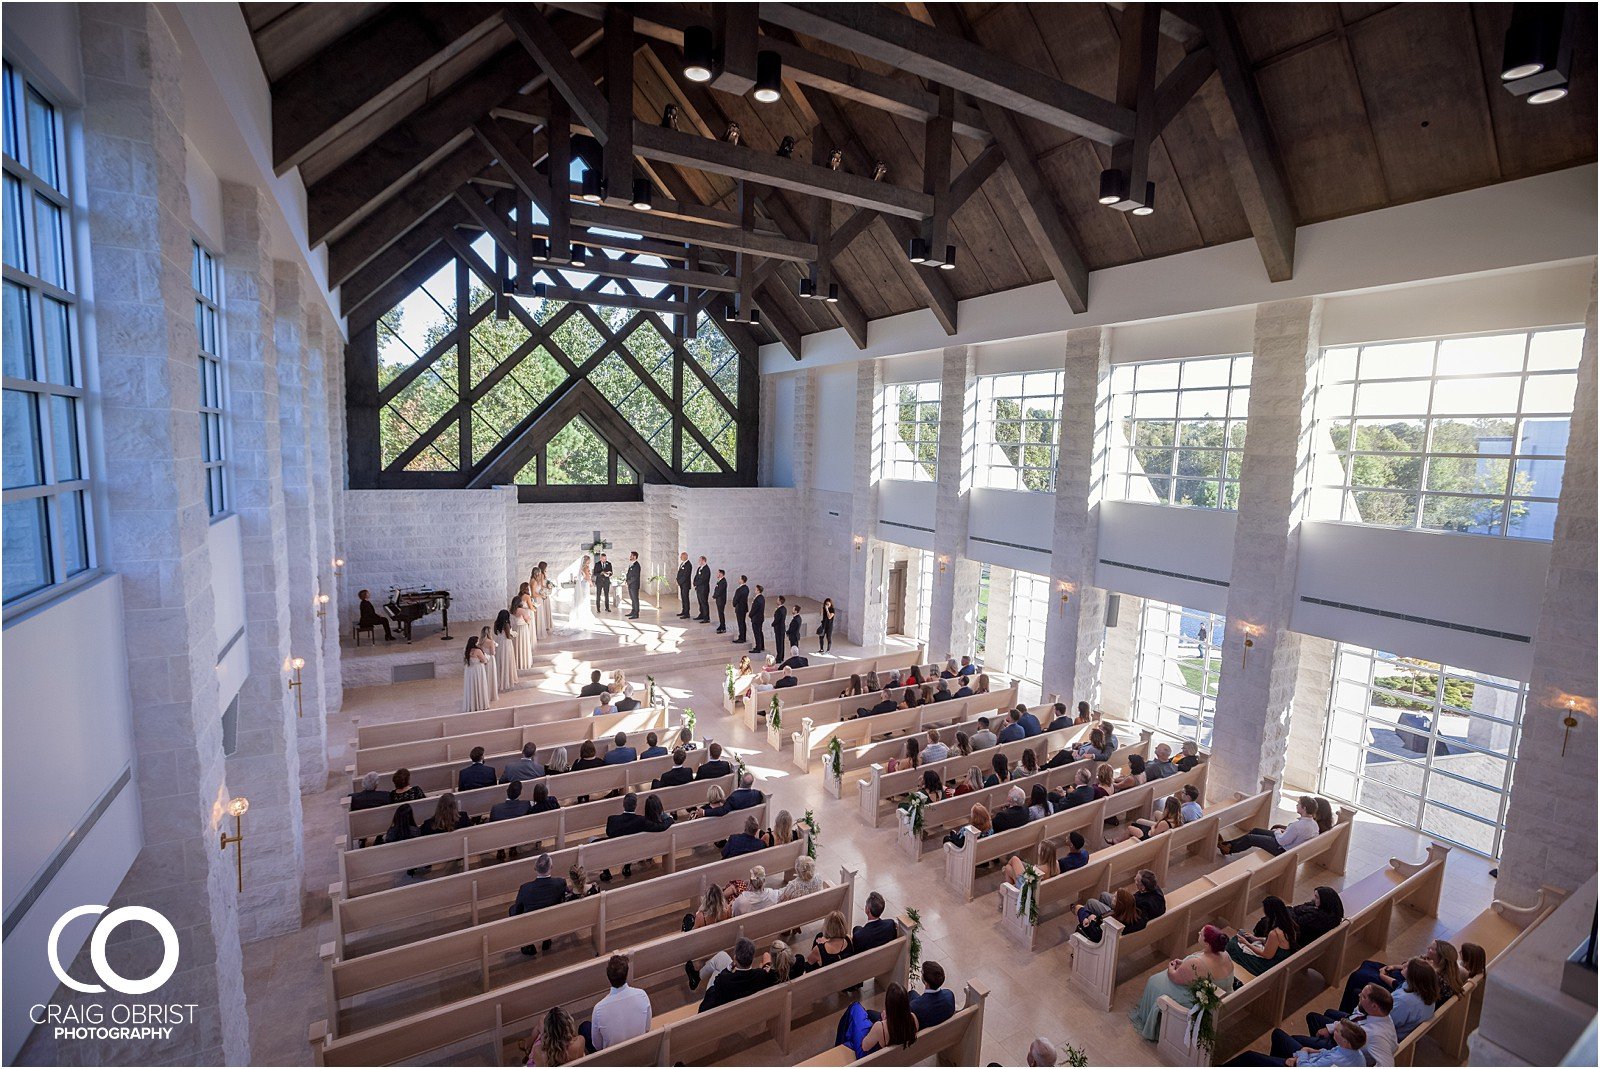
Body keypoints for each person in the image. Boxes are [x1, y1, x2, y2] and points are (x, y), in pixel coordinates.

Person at [1129, 925, 1233, 1041]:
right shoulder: (1225, 955)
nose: (1198, 933)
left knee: (1154, 981)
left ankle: (1153, 1024)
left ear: (1207, 944)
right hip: (1221, 993)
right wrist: (1184, 963)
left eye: (1201, 934)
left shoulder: (1197, 962)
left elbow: (1174, 977)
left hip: (1201, 1001)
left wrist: (1171, 966)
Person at [1261, 985, 1397, 1067]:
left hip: (1315, 1061)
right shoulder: (1375, 1014)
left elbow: (1387, 1063)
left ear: (1374, 1006)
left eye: (1364, 996)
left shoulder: (1377, 1036)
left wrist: (1302, 1055)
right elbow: (1351, 1020)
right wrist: (1329, 1031)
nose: (1360, 995)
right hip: (1332, 1052)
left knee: (1287, 1037)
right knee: (1315, 1017)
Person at [578, 954, 650, 1053]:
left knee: (584, 1027)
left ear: (608, 978)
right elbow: (647, 1028)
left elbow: (597, 1046)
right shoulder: (642, 995)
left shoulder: (599, 1009)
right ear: (626, 974)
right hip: (638, 1050)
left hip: (611, 1058)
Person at [1227, 1019, 1370, 1067]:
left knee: (1250, 1057)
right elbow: (1329, 1052)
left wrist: (1302, 1054)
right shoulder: (1355, 1053)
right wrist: (1310, 1051)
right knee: (1278, 1035)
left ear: (1345, 1040)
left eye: (1337, 1031)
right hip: (1307, 1058)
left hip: (1303, 1064)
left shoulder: (1336, 1061)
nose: (1334, 1031)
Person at [1220, 795, 1321, 856]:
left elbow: (1282, 841)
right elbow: (1295, 837)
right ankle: (1227, 844)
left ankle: (1229, 849)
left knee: (1250, 838)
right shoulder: (1314, 825)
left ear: (1304, 808)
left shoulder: (1297, 826)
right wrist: (1284, 832)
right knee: (1256, 830)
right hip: (1289, 845)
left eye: (1298, 804)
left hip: (1281, 849)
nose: (1296, 806)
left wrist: (1277, 832)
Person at [510, 853, 570, 956]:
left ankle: (527, 944)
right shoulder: (560, 883)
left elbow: (517, 911)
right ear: (551, 867)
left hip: (532, 924)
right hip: (553, 919)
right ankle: (547, 938)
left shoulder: (525, 888)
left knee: (512, 910)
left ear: (535, 868)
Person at [698, 937, 778, 1012]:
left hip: (726, 1011)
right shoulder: (761, 975)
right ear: (752, 958)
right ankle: (697, 976)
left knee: (717, 970)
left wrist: (729, 967)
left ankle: (698, 976)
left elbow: (712, 992)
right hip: (748, 1010)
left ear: (735, 957)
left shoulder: (724, 979)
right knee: (722, 956)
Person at [1228, 895, 1298, 976]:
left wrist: (1246, 943)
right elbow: (1276, 944)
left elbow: (1266, 955)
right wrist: (1256, 939)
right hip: (1278, 958)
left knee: (1232, 945)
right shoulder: (1289, 924)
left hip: (1267, 965)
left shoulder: (1274, 933)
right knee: (1241, 939)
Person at [841, 981, 917, 1056]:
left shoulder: (880, 1027)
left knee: (855, 1007)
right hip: (892, 1053)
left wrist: (883, 1022)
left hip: (868, 1056)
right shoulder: (913, 1018)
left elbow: (864, 1047)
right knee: (861, 1014)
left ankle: (840, 1041)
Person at [684, 884, 731, 990]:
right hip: (719, 940)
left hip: (704, 945)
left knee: (688, 919)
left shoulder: (701, 916)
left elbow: (693, 934)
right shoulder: (727, 910)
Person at [1083, 869, 1166, 930]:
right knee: (1104, 895)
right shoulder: (1154, 889)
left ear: (1143, 888)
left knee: (1091, 902)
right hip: (1127, 908)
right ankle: (1099, 921)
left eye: (1137, 880)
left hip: (1122, 917)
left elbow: (1134, 921)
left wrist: (1115, 912)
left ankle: (1093, 924)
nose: (1134, 879)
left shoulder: (1143, 905)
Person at [1269, 887, 1344, 949]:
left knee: (1270, 921)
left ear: (1325, 901)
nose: (1314, 899)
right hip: (1302, 931)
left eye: (1317, 897)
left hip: (1298, 939)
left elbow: (1295, 922)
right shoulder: (1333, 912)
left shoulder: (1316, 917)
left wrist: (1289, 909)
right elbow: (1300, 908)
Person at [909, 961, 955, 1028]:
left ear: (926, 983)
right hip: (944, 1032)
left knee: (910, 994)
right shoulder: (949, 995)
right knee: (912, 993)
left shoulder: (915, 1007)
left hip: (925, 1035)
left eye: (922, 973)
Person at [462, 636, 492, 712]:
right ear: (475, 642)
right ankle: (480, 704)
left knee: (472, 687)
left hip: (470, 671)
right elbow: (484, 660)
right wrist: (487, 657)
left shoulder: (466, 650)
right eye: (478, 641)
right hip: (478, 671)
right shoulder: (478, 651)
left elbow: (465, 661)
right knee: (479, 685)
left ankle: (472, 704)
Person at [732, 575, 750, 644]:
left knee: (740, 623)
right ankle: (743, 637)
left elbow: (736, 599)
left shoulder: (739, 590)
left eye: (740, 579)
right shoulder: (747, 588)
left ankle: (741, 638)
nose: (738, 580)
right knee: (743, 622)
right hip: (744, 608)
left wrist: (734, 604)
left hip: (739, 608)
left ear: (742, 580)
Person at [694, 556, 712, 622]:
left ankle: (706, 618)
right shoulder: (699, 568)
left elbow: (703, 580)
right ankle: (701, 614)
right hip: (699, 588)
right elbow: (696, 576)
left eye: (700, 560)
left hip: (704, 589)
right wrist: (694, 582)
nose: (699, 561)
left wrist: (696, 583)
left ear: (703, 560)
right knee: (700, 602)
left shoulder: (706, 569)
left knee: (704, 603)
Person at [750, 584, 767, 653]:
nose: (755, 590)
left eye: (755, 589)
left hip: (756, 618)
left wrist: (750, 615)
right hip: (760, 618)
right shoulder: (762, 598)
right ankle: (762, 646)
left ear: (758, 590)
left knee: (757, 633)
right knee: (760, 632)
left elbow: (754, 609)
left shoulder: (757, 599)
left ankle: (758, 648)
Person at [772, 595, 789, 662]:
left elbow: (777, 620)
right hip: (782, 628)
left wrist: (772, 624)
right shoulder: (784, 609)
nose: (777, 600)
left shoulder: (779, 610)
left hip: (778, 629)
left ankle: (779, 658)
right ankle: (781, 657)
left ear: (780, 601)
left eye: (777, 599)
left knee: (779, 643)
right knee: (781, 643)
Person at [625, 551, 642, 619]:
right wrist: (627, 581)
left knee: (635, 599)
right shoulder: (632, 564)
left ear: (634, 557)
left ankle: (636, 613)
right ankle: (633, 611)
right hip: (630, 585)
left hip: (634, 585)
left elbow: (635, 577)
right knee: (632, 599)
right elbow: (629, 574)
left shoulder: (637, 565)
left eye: (631, 555)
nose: (630, 556)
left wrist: (628, 582)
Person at [676, 551, 693, 618]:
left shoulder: (688, 565)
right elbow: (680, 573)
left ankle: (687, 613)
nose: (680, 557)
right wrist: (677, 580)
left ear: (685, 556)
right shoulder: (682, 563)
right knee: (683, 598)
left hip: (685, 585)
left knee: (686, 599)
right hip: (682, 584)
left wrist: (679, 582)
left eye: (681, 556)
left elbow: (685, 576)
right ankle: (683, 611)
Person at [712, 568, 728, 633]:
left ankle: (723, 627)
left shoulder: (723, 581)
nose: (717, 574)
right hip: (719, 600)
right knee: (720, 613)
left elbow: (719, 591)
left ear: (721, 574)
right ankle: (721, 625)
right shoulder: (719, 580)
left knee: (721, 613)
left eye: (718, 573)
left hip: (721, 600)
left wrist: (714, 596)